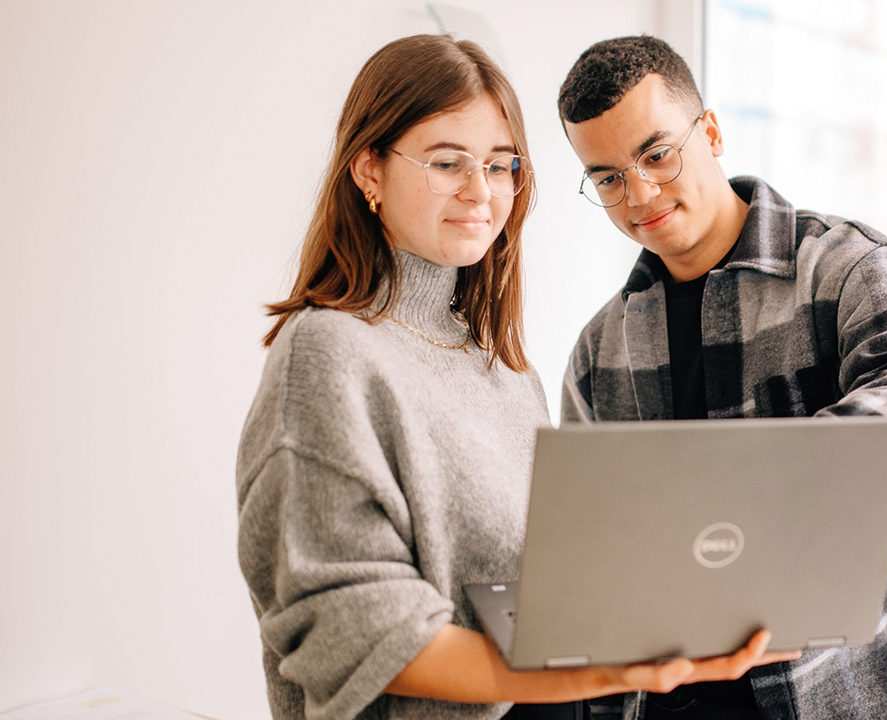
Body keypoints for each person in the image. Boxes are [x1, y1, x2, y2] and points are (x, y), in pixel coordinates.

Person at [236, 34, 798, 720]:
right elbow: (356, 632)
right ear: (369, 171)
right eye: (448, 163)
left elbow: (545, 590)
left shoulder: (500, 365)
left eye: (501, 165)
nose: (481, 191)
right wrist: (605, 669)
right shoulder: (327, 354)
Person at [557, 36, 887, 720]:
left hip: (851, 696)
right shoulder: (599, 350)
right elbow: (593, 552)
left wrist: (759, 475)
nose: (639, 194)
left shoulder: (851, 268)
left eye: (657, 155)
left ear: (711, 132)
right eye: (607, 178)